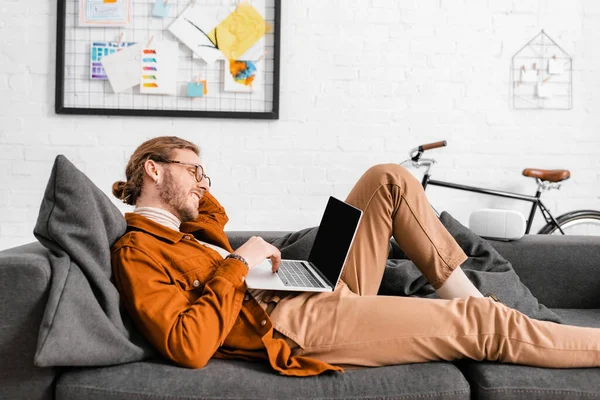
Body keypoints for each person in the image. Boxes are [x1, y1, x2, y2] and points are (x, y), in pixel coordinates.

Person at [111, 136, 600, 377]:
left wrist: (204, 212)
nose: (202, 182)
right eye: (193, 170)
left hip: (306, 289)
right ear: (152, 170)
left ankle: (477, 300)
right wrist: (238, 265)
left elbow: (207, 207)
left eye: (204, 173)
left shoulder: (190, 229)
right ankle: (492, 318)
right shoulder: (139, 250)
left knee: (388, 179)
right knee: (476, 325)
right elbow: (186, 346)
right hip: (292, 323)